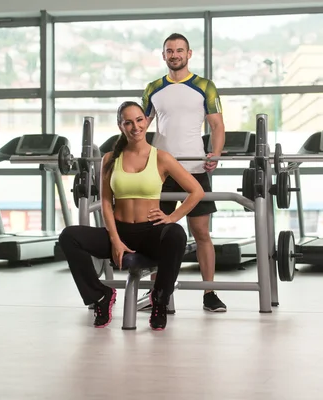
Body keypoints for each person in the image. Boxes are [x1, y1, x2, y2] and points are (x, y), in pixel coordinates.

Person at [58, 101, 204, 330]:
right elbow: (106, 202)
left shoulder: (161, 158)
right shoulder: (110, 159)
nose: (135, 126)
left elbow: (197, 191)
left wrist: (172, 217)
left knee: (176, 234)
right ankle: (100, 296)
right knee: (69, 236)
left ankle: (160, 300)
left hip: (151, 232)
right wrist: (115, 240)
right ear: (120, 126)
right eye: (128, 122)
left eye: (139, 120)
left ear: (146, 121)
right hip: (120, 231)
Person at [141, 32, 227, 312]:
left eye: (180, 50)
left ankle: (209, 293)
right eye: (169, 51)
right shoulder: (153, 87)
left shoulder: (205, 86)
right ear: (163, 55)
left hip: (194, 168)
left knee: (201, 232)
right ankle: (160, 297)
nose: (174, 54)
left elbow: (216, 125)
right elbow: (140, 126)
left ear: (189, 54)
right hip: (161, 170)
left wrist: (215, 152)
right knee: (159, 233)